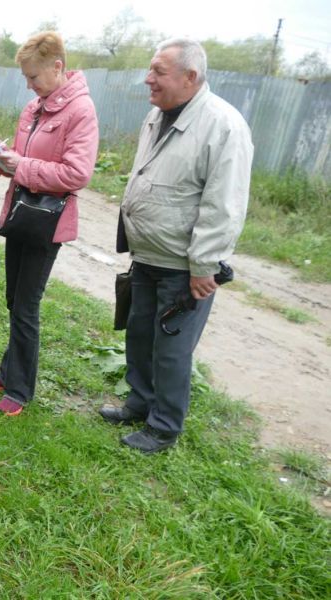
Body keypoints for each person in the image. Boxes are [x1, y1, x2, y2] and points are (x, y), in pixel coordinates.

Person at [99, 39, 253, 453]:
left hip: (185, 264)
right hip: (149, 252)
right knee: (139, 334)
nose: (148, 79)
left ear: (190, 77)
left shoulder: (224, 126)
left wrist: (205, 264)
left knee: (171, 346)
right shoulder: (159, 114)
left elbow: (224, 203)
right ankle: (140, 401)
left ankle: (164, 426)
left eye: (158, 71)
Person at [0, 32, 99, 415]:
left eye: (34, 76)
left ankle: (19, 390)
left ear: (58, 67)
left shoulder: (81, 111)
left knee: (27, 304)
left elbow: (77, 174)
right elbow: (24, 160)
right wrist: (5, 160)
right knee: (13, 298)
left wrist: (25, 166)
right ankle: (9, 369)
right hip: (20, 213)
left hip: (46, 221)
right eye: (26, 78)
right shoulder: (33, 108)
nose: (29, 85)